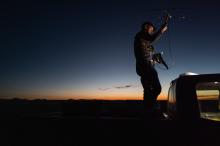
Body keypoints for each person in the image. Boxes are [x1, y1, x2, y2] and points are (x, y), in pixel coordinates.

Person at [134, 19, 168, 117]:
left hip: (144, 67)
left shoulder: (145, 40)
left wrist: (156, 59)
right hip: (145, 67)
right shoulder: (140, 35)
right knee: (157, 88)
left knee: (148, 90)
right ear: (146, 27)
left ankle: (147, 112)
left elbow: (148, 54)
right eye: (151, 29)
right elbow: (152, 38)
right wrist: (162, 30)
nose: (152, 30)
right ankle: (150, 109)